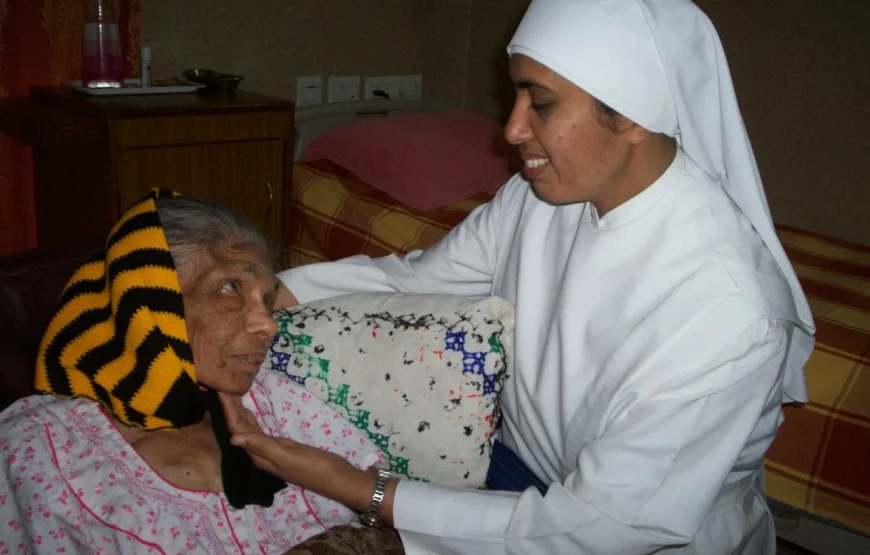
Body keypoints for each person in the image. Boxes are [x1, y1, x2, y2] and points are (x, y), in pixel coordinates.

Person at [227, 0, 817, 554]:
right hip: (516, 475)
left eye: (541, 102)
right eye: (517, 95)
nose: (510, 130)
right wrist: (254, 298)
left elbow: (593, 530)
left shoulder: (728, 314)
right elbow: (412, 280)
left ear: (633, 113)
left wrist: (366, 491)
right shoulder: (540, 198)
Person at [0, 191, 390, 553]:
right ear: (151, 301)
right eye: (230, 288)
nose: (268, 324)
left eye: (268, 300)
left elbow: (392, 514)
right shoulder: (38, 447)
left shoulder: (276, 399)